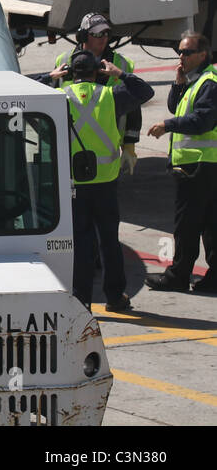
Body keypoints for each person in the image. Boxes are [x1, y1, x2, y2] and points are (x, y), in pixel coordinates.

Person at [59, 49, 153, 311]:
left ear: (70, 73)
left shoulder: (58, 97)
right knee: (109, 241)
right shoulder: (110, 96)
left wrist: (50, 76)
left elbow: (22, 94)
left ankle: (81, 302)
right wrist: (119, 73)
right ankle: (114, 296)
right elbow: (145, 92)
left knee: (81, 244)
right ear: (98, 71)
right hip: (106, 181)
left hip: (73, 183)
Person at [145, 31, 217, 293]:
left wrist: (167, 126)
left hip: (198, 166)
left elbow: (202, 121)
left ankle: (178, 275)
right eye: (179, 51)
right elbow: (178, 108)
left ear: (202, 55)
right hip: (202, 165)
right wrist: (178, 83)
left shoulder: (209, 83)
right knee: (210, 224)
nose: (181, 56)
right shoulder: (196, 81)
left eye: (186, 52)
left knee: (187, 225)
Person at [46, 13, 142, 174]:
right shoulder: (63, 61)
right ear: (83, 36)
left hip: (107, 146)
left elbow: (133, 108)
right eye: (97, 34)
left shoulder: (121, 64)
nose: (103, 38)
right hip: (72, 146)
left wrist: (129, 145)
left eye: (106, 33)